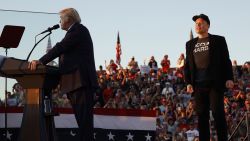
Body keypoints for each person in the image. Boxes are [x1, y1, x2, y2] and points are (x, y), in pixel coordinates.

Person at [29, 8, 97, 141]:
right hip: (75, 84)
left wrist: (41, 61)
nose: (59, 22)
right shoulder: (75, 31)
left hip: (80, 83)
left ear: (68, 19)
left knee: (85, 125)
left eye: (61, 19)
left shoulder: (78, 30)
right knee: (83, 124)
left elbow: (60, 47)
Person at [184, 14, 234, 141]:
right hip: (198, 85)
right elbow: (188, 65)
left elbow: (226, 60)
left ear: (208, 25)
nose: (198, 25)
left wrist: (229, 78)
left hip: (214, 83)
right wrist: (188, 82)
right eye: (196, 24)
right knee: (202, 117)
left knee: (218, 114)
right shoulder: (190, 44)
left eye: (200, 23)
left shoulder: (219, 40)